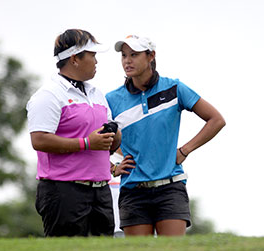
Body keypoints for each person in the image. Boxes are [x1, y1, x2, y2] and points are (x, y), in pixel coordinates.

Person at [106, 35, 226, 236]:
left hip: (171, 188)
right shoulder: (112, 99)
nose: (127, 60)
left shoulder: (174, 88)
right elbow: (95, 138)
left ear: (151, 56)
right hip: (133, 191)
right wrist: (111, 167)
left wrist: (185, 150)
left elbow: (216, 120)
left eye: (134, 55)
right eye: (124, 55)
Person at [26, 29, 121, 237]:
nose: (96, 61)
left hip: (101, 190)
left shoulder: (97, 94)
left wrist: (114, 135)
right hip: (63, 191)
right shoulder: (48, 95)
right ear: (74, 59)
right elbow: (39, 140)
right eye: (92, 55)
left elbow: (108, 145)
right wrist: (86, 143)